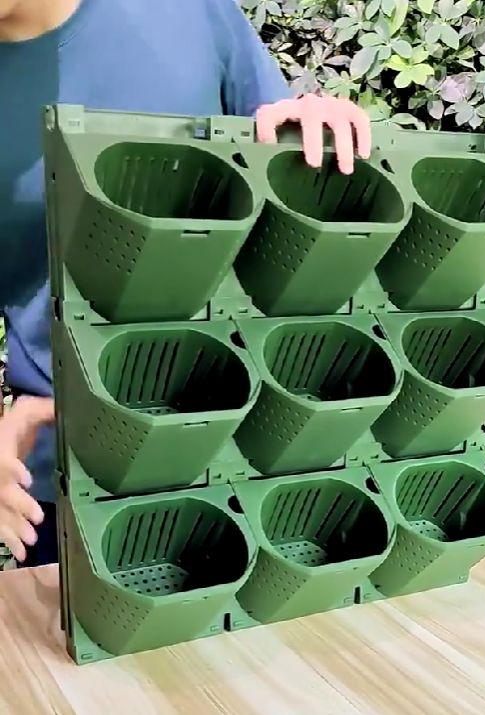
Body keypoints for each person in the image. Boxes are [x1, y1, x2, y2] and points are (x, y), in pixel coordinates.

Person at [0, 0, 372, 566]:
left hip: (255, 448)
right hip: (72, 478)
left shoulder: (190, 11)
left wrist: (321, 133)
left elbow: (283, 169)